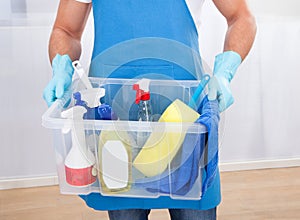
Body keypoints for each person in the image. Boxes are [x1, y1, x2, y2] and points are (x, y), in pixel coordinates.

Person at [43, 0, 256, 219]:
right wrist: (62, 69)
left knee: (194, 208)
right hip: (115, 127)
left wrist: (225, 71)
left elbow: (241, 16)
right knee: (124, 209)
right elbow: (66, 30)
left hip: (186, 122)